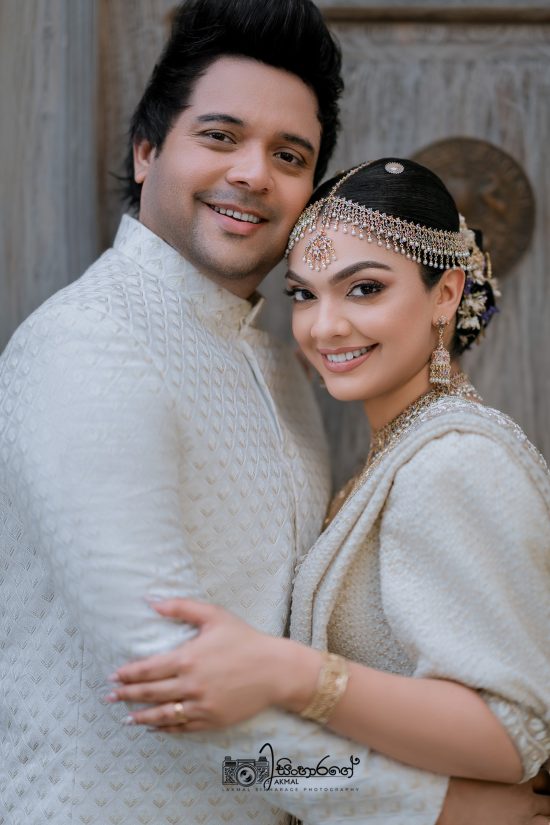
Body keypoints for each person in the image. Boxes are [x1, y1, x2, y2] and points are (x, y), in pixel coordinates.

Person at [0, 0, 545, 817]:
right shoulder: (91, 349)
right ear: (147, 151)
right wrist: (435, 805)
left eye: (289, 155)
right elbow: (174, 686)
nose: (255, 173)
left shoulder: (283, 362)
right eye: (220, 136)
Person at [106, 159, 550, 820]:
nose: (324, 326)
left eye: (364, 289)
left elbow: (511, 735)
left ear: (446, 294)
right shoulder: (397, 454)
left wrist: (289, 673)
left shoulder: (454, 462)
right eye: (304, 294)